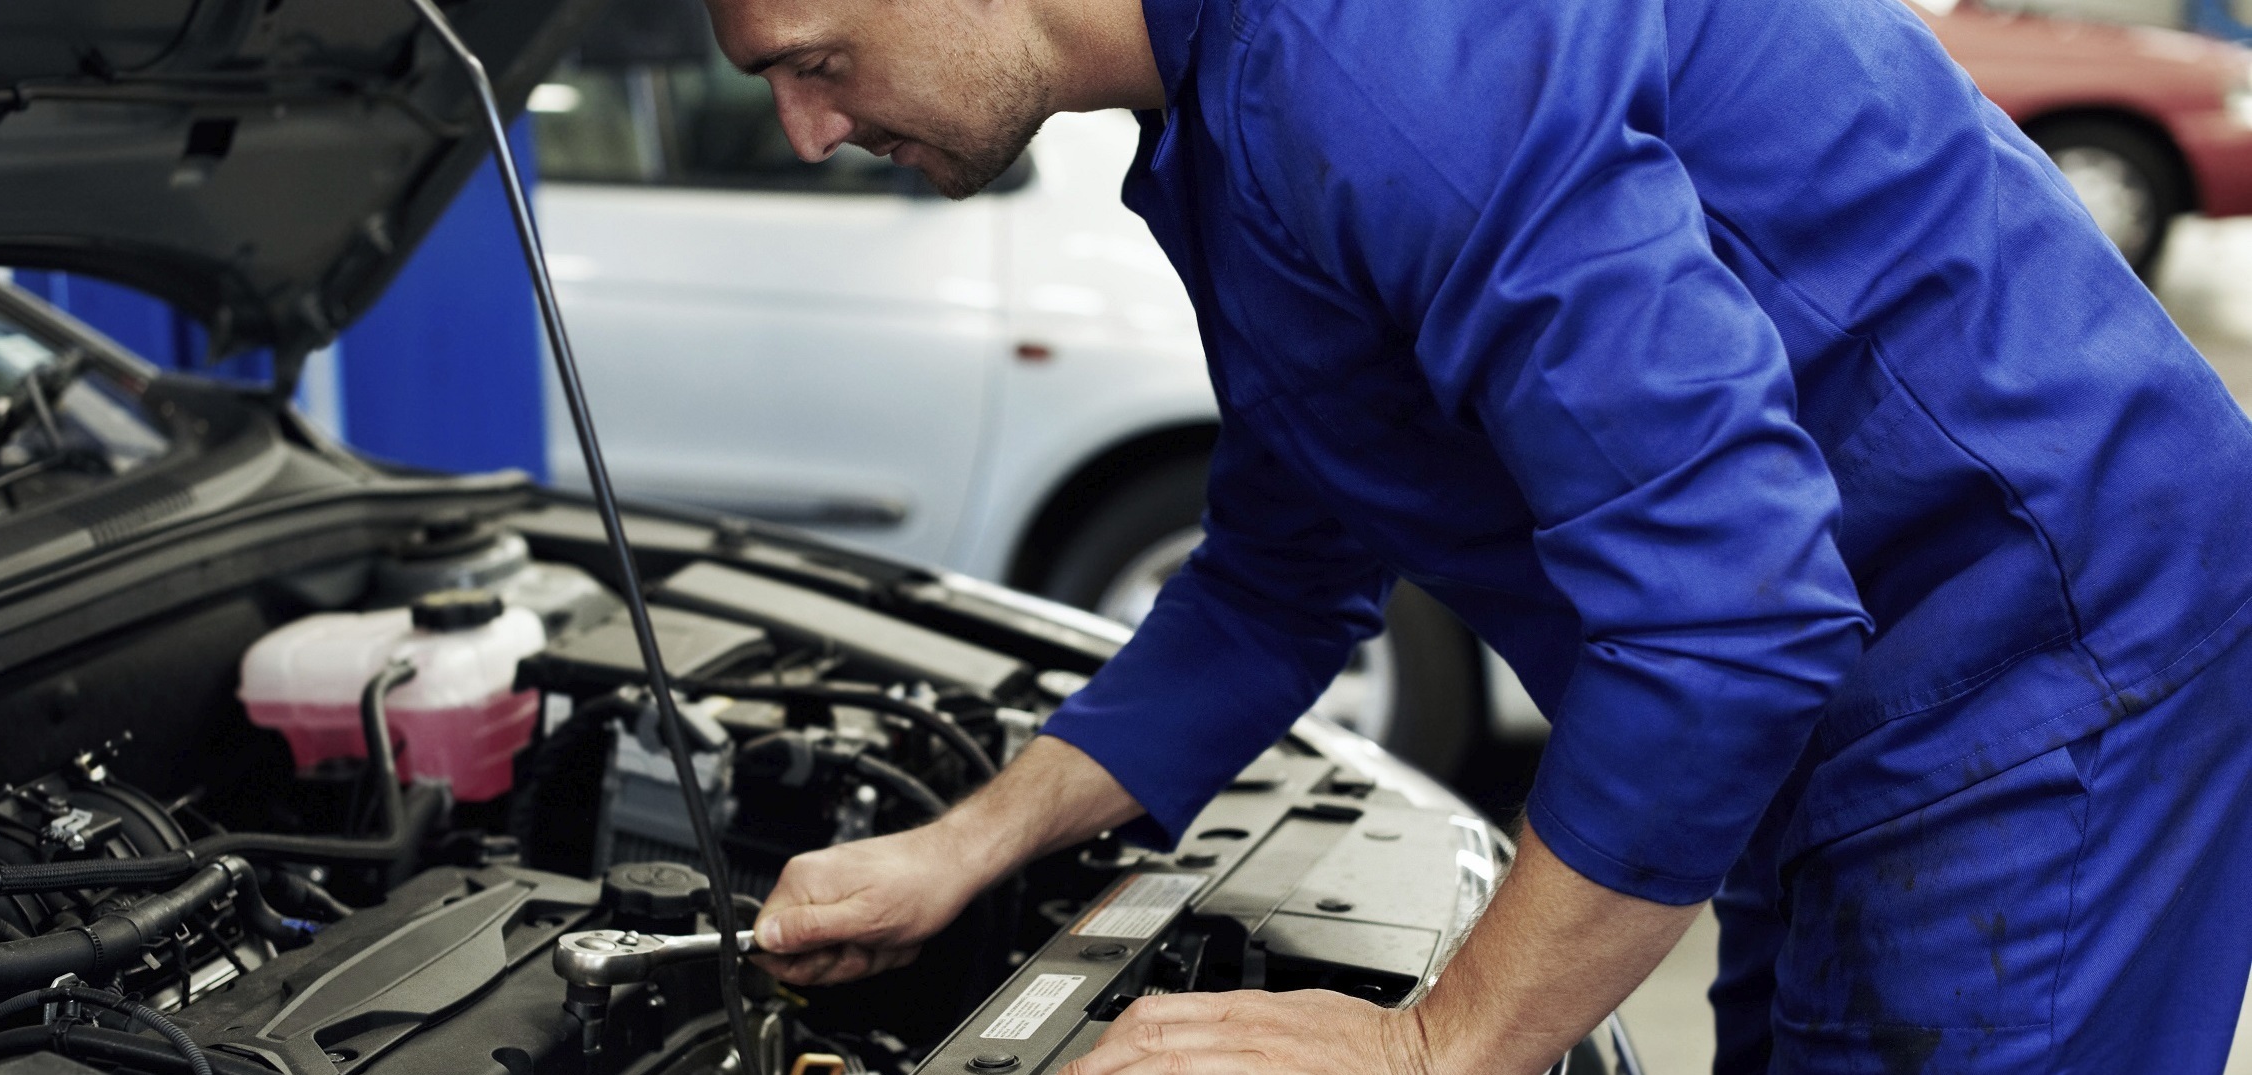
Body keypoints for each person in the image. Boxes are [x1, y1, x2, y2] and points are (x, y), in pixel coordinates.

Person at [702, 0, 2252, 1067]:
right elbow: (1271, 577)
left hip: (2035, 655)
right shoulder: (1234, 114)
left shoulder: (1373, 59)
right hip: (1849, 688)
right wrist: (957, 849)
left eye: (816, 58)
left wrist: (1438, 1047)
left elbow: (1728, 622)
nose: (801, 130)